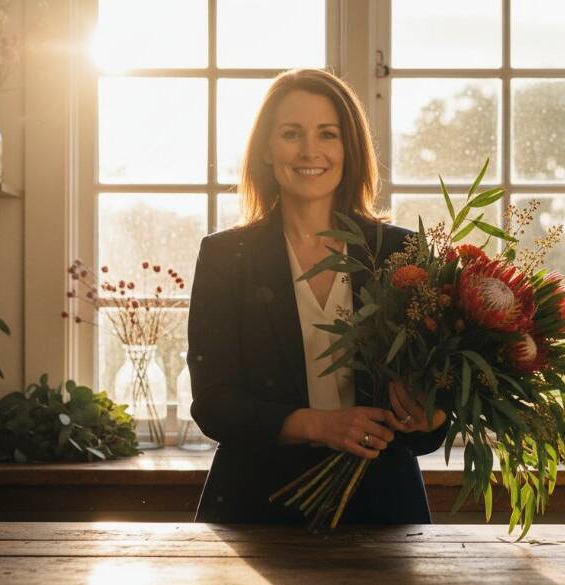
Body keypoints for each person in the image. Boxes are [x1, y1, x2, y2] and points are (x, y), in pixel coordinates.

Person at [187, 68, 450, 524]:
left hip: (384, 508)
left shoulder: (402, 252)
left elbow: (427, 427)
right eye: (291, 134)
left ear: (349, 149)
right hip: (256, 507)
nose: (310, 150)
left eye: (327, 134)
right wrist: (318, 424)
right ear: (266, 150)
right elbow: (213, 404)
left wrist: (431, 415)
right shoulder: (224, 256)